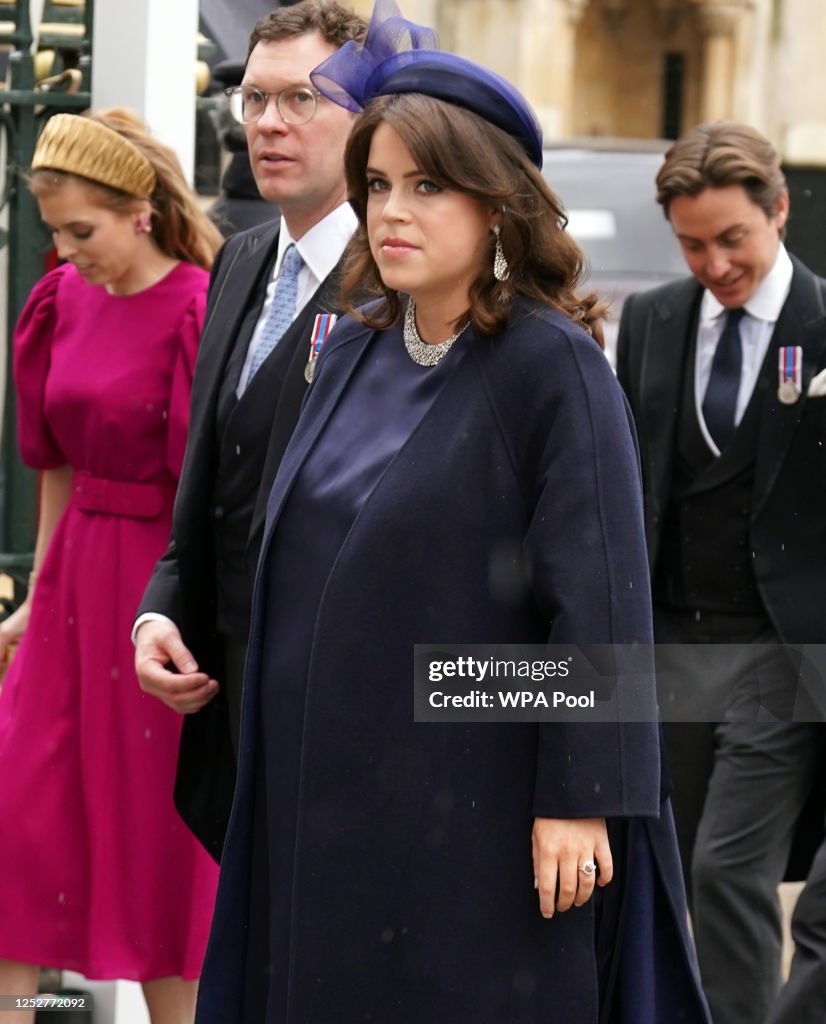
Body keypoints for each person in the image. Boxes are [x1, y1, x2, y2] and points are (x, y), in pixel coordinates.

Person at [194, 4, 711, 1022]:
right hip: (322, 798)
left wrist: (580, 795)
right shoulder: (346, 348)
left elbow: (600, 601)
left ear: (496, 203)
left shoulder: (550, 366)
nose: (392, 210)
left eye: (427, 185)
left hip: (472, 803)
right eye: (378, 184)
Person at [0, 109, 222, 1024]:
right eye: (53, 231)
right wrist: (35, 596)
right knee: (25, 817)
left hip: (156, 588)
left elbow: (212, 492)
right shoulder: (59, 300)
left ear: (141, 212)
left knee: (151, 837)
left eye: (79, 230)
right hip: (70, 587)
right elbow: (54, 459)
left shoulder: (200, 308)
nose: (64, 249)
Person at [134, 0, 368, 861]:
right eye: (255, 99)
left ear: (366, 116)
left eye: (300, 100)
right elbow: (211, 478)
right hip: (227, 699)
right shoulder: (237, 259)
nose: (268, 122)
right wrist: (161, 613)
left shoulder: (399, 285)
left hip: (339, 715)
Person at [616, 121, 826, 1023]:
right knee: (676, 868)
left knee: (727, 868)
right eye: (693, 244)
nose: (715, 263)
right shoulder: (655, 319)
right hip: (672, 645)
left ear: (779, 211)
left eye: (732, 238)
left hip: (786, 652)